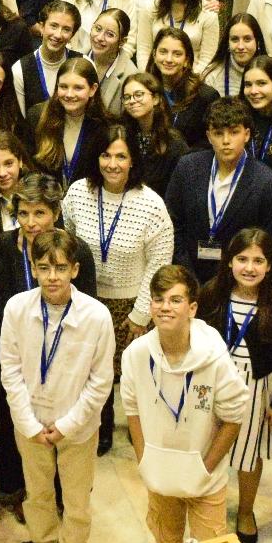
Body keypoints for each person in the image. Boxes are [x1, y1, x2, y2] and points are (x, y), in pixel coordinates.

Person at [1, 229, 114, 543]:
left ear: (75, 270)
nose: (52, 277)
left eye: (61, 268)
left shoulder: (96, 315)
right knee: (37, 492)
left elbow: (101, 381)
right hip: (30, 421)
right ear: (33, 269)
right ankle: (42, 538)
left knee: (77, 497)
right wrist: (27, 422)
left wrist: (67, 424)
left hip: (77, 426)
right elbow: (10, 370)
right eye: (44, 268)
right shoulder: (16, 308)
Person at [60, 122, 173, 453]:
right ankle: (98, 424)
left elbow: (159, 262)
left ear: (133, 160)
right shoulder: (79, 192)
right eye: (106, 155)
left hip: (128, 304)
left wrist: (140, 314)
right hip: (84, 299)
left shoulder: (150, 203)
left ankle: (139, 428)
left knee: (124, 372)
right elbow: (66, 242)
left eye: (121, 157)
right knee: (89, 369)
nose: (112, 164)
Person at [121, 265, 248, 543]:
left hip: (205, 478)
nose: (165, 307)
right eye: (158, 299)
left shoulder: (213, 357)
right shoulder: (135, 355)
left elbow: (234, 416)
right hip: (161, 476)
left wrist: (205, 467)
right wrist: (145, 461)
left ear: (192, 308)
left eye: (175, 300)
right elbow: (133, 410)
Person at [200, 229, 272, 543]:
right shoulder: (212, 293)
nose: (250, 267)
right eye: (242, 259)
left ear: (270, 266)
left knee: (248, 453)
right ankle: (206, 504)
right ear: (229, 262)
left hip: (256, 384)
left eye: (259, 260)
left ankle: (245, 511)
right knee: (207, 446)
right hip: (215, 382)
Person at [164, 95, 272, 283]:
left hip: (240, 282)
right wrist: (186, 274)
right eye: (219, 133)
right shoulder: (187, 167)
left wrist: (241, 275)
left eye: (233, 132)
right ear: (208, 136)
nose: (226, 140)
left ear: (246, 134)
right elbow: (172, 223)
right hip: (187, 275)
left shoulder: (269, 184)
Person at [28, 56, 107, 187]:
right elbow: (28, 166)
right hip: (45, 199)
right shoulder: (37, 116)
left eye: (78, 88)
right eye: (63, 87)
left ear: (92, 89)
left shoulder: (104, 126)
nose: (69, 94)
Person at [146, 28, 216, 150]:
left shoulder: (206, 97)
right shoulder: (145, 91)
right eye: (163, 52)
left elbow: (209, 142)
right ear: (154, 55)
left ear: (187, 61)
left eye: (177, 54)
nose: (168, 59)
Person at [13, 1, 79, 115]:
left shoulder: (82, 63)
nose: (58, 35)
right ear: (42, 27)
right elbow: (22, 120)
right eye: (53, 26)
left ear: (72, 34)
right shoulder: (20, 69)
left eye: (66, 29)